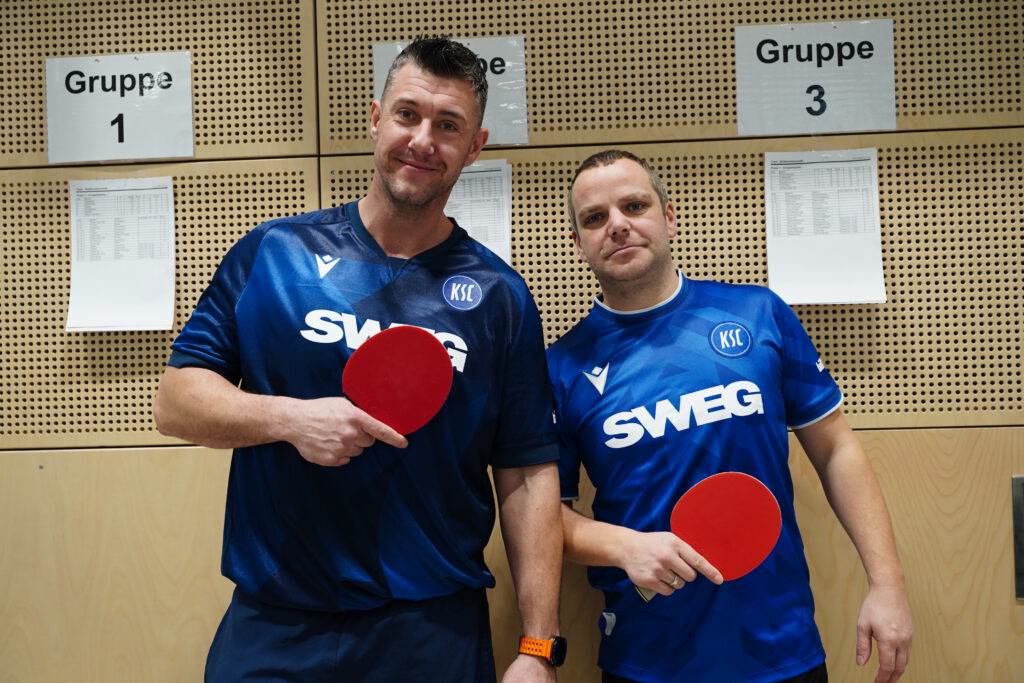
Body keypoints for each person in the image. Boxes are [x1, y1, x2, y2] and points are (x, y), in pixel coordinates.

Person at [154, 36, 565, 683]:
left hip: (431, 630)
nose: (422, 139)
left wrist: (538, 647)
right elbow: (176, 402)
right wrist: (290, 419)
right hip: (276, 623)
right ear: (376, 119)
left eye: (448, 125)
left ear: (475, 146)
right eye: (407, 114)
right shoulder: (274, 253)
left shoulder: (500, 296)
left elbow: (528, 473)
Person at [547, 149, 912, 683]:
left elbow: (836, 449)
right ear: (578, 243)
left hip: (780, 646)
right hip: (646, 656)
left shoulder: (758, 313)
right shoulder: (560, 368)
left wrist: (887, 585)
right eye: (595, 217)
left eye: (634, 206)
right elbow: (543, 518)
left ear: (669, 217)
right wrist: (623, 546)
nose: (618, 225)